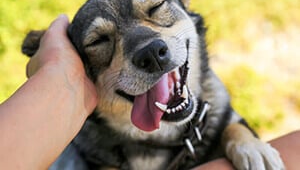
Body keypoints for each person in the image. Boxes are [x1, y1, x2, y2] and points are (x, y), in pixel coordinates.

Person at [0, 15, 298, 169]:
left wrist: (238, 137)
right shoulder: (83, 145)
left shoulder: (212, 98)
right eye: (100, 40)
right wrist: (59, 74)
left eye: (155, 11)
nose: (148, 48)